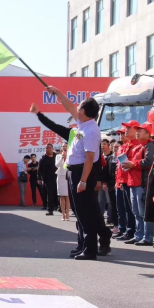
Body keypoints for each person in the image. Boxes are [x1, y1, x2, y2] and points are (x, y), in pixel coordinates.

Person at [45, 87, 111, 260]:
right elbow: (69, 106)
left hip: (83, 173)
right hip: (74, 171)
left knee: (85, 212)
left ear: (84, 111)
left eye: (79, 107)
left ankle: (90, 249)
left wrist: (83, 181)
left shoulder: (91, 130)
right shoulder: (83, 124)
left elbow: (90, 158)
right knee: (80, 211)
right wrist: (58, 92)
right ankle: (84, 245)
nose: (76, 109)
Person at [121, 121, 154, 246]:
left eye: (140, 131)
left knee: (144, 212)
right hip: (133, 182)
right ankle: (139, 235)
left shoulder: (150, 146)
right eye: (137, 130)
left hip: (142, 183)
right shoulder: (139, 146)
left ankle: (147, 237)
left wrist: (132, 164)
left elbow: (149, 161)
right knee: (136, 212)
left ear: (147, 134)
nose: (137, 132)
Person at [115, 121, 141, 242]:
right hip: (123, 180)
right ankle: (127, 230)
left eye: (129, 128)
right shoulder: (125, 146)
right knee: (124, 208)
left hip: (132, 180)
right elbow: (120, 166)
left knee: (132, 209)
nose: (125, 130)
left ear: (136, 130)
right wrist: (119, 181)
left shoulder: (138, 145)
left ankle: (132, 231)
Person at [103, 140, 119, 235]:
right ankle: (116, 225)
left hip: (120, 185)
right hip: (111, 185)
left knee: (121, 207)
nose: (115, 148)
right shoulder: (110, 158)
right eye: (114, 147)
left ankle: (123, 226)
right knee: (113, 206)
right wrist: (105, 182)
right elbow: (106, 171)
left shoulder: (123, 157)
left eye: (117, 147)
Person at [38, 144, 58, 216]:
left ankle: (59, 207)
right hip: (47, 179)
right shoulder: (43, 158)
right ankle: (50, 210)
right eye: (47, 148)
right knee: (50, 194)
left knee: (58, 194)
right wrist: (39, 178)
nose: (48, 149)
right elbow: (39, 170)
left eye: (49, 148)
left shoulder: (57, 157)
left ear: (53, 149)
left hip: (58, 178)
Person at [98, 139, 112, 223]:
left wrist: (106, 182)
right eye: (102, 144)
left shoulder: (111, 156)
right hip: (100, 182)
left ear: (108, 145)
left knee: (109, 201)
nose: (103, 146)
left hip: (108, 182)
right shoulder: (99, 156)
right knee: (100, 200)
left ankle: (110, 218)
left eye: (104, 144)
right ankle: (100, 218)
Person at [55, 147, 70, 221]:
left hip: (67, 176)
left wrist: (67, 157)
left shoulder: (70, 155)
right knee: (61, 196)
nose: (64, 149)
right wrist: (62, 158)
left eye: (66, 147)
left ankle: (68, 214)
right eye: (63, 147)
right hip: (60, 176)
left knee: (67, 196)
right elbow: (57, 165)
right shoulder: (58, 156)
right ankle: (63, 214)